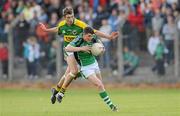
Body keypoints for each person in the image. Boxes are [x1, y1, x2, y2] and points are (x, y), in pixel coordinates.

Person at [39, 7, 119, 104]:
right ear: (64, 17)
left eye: (72, 16)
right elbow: (57, 29)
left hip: (76, 50)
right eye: (68, 17)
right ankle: (61, 93)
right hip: (69, 50)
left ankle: (56, 90)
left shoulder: (80, 24)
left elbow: (94, 31)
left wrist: (109, 37)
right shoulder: (62, 25)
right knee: (74, 71)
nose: (70, 19)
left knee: (68, 74)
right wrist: (46, 30)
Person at [64, 27, 118, 111]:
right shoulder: (79, 39)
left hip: (94, 64)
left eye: (91, 36)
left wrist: (102, 49)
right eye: (89, 36)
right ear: (84, 35)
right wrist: (81, 48)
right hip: (86, 68)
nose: (90, 38)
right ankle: (112, 106)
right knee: (99, 84)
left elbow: (101, 46)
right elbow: (67, 48)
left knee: (101, 85)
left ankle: (80, 74)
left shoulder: (93, 37)